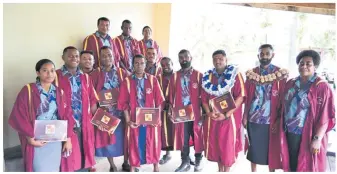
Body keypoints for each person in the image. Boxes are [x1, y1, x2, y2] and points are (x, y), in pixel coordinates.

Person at [8, 59, 74, 172]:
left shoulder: (59, 92)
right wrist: (30, 138)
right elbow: (19, 114)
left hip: (55, 138)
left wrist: (68, 139)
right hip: (36, 138)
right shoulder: (28, 90)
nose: (50, 74)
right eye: (45, 71)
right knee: (38, 168)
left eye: (52, 70)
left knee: (53, 168)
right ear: (38, 73)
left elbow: (67, 115)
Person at [280, 50, 335, 172]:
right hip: (289, 132)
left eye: (308, 64)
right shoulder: (291, 83)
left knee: (307, 166)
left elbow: (326, 116)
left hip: (309, 134)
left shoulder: (322, 87)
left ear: (315, 66)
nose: (304, 66)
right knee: (292, 164)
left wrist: (317, 138)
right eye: (301, 63)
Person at [117, 54, 165, 172]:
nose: (139, 66)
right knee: (133, 143)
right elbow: (123, 103)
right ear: (133, 65)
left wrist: (157, 118)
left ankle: (155, 166)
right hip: (134, 119)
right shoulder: (127, 81)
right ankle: (133, 167)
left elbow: (159, 100)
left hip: (150, 118)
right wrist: (128, 121)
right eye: (136, 63)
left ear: (145, 65)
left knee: (153, 142)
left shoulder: (152, 80)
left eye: (142, 63)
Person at [54, 46, 98, 172]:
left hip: (84, 121)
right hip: (65, 122)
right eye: (70, 55)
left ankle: (86, 166)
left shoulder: (85, 77)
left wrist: (100, 120)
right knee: (67, 155)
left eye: (76, 56)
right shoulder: (56, 76)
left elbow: (92, 100)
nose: (74, 58)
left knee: (84, 148)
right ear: (63, 58)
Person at [201, 50, 246, 172]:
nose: (217, 61)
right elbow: (204, 99)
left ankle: (226, 171)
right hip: (213, 117)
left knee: (227, 146)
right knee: (216, 145)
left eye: (220, 58)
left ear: (226, 60)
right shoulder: (207, 77)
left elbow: (240, 97)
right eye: (215, 59)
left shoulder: (235, 75)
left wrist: (226, 114)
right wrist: (209, 113)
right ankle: (220, 170)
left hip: (229, 118)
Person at [242, 44, 285, 172]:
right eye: (262, 54)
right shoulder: (252, 74)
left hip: (270, 119)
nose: (264, 56)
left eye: (267, 53)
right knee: (254, 148)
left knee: (271, 149)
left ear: (273, 55)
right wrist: (244, 116)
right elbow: (246, 97)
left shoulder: (280, 74)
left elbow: (283, 99)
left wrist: (278, 120)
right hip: (253, 118)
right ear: (258, 56)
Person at [90, 46, 131, 172]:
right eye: (104, 55)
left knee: (125, 139)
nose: (107, 58)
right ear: (99, 58)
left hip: (121, 112)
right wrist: (96, 114)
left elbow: (130, 92)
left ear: (114, 56)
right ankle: (112, 165)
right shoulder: (95, 74)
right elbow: (91, 94)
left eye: (109, 55)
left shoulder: (123, 73)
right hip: (104, 113)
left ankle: (126, 162)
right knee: (108, 141)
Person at [167, 49, 204, 172]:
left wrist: (204, 113)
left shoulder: (199, 75)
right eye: (181, 57)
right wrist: (170, 110)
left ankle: (198, 160)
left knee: (197, 136)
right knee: (183, 137)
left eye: (186, 57)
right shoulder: (175, 76)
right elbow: (171, 95)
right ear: (179, 60)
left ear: (191, 58)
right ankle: (185, 161)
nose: (184, 59)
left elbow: (204, 96)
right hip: (181, 113)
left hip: (196, 113)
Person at [157, 57, 174, 165]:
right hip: (162, 109)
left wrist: (172, 105)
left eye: (167, 64)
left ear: (172, 63)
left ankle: (186, 156)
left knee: (177, 132)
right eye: (162, 65)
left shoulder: (177, 76)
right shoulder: (157, 78)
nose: (165, 67)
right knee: (164, 132)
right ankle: (167, 154)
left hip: (175, 108)